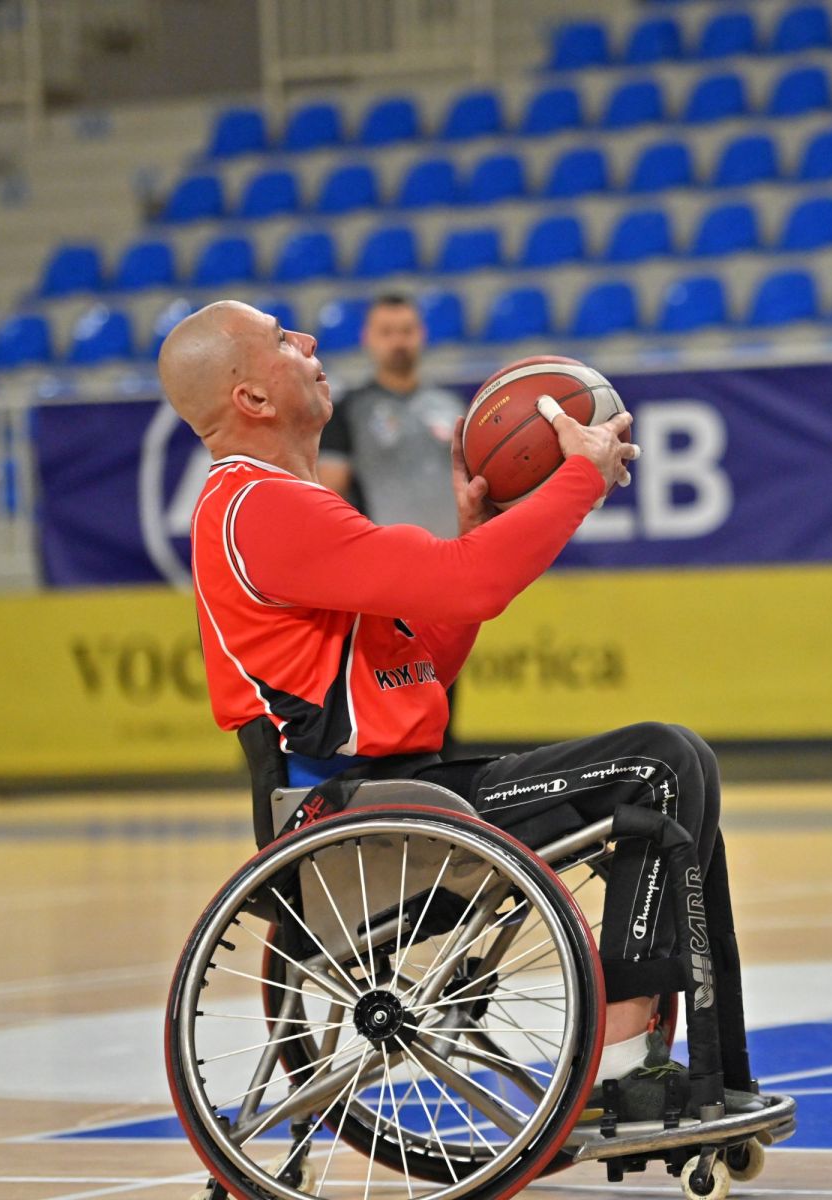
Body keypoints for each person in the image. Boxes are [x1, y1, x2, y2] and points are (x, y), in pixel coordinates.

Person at [156, 300, 755, 1118]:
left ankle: (689, 1068)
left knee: (671, 766)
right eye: (282, 340)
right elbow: (471, 581)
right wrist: (579, 477)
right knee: (661, 763)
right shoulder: (258, 506)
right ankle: (619, 1068)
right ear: (252, 398)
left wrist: (478, 528)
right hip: (364, 817)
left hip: (394, 798)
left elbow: (420, 669)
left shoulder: (279, 503)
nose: (309, 340)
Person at [317, 293, 465, 537]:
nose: (398, 341)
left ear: (422, 334)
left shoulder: (452, 405)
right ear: (367, 338)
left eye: (407, 331)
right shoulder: (347, 411)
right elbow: (329, 495)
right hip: (387, 554)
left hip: (455, 551)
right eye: (386, 332)